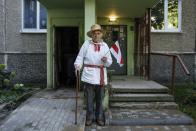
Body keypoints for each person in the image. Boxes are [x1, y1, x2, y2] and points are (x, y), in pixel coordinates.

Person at [74, 24, 112, 126]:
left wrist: (106, 60)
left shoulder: (105, 46)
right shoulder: (86, 44)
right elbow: (80, 57)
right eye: (94, 33)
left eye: (98, 33)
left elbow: (109, 62)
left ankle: (99, 118)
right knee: (89, 99)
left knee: (100, 99)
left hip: (100, 77)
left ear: (101, 35)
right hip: (89, 76)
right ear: (91, 35)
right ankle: (89, 118)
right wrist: (78, 66)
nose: (96, 35)